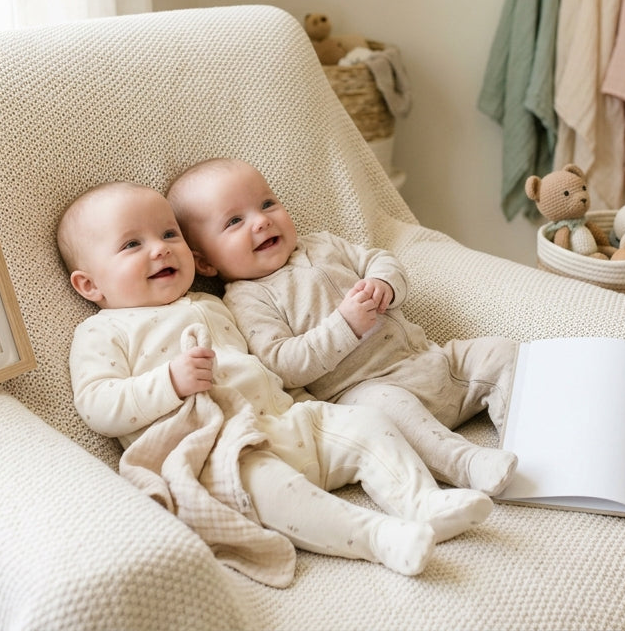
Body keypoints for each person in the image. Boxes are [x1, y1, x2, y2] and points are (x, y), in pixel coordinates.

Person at [57, 181, 491, 578]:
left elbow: (270, 367)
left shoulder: (220, 302)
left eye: (170, 235)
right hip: (221, 447)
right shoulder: (102, 331)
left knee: (366, 424)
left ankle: (420, 501)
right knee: (271, 487)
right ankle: (376, 536)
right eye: (132, 244)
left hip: (286, 420)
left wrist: (313, 408)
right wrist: (169, 381)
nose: (161, 249)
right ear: (89, 284)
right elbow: (97, 404)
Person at [167, 158, 519, 496]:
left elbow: (380, 259)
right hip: (367, 388)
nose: (260, 221)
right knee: (386, 410)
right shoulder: (246, 299)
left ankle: (526, 435)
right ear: (205, 263)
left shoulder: (322, 243)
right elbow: (282, 365)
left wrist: (385, 283)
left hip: (432, 359)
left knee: (501, 351)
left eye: (267, 203)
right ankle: (467, 462)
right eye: (234, 222)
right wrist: (344, 326)